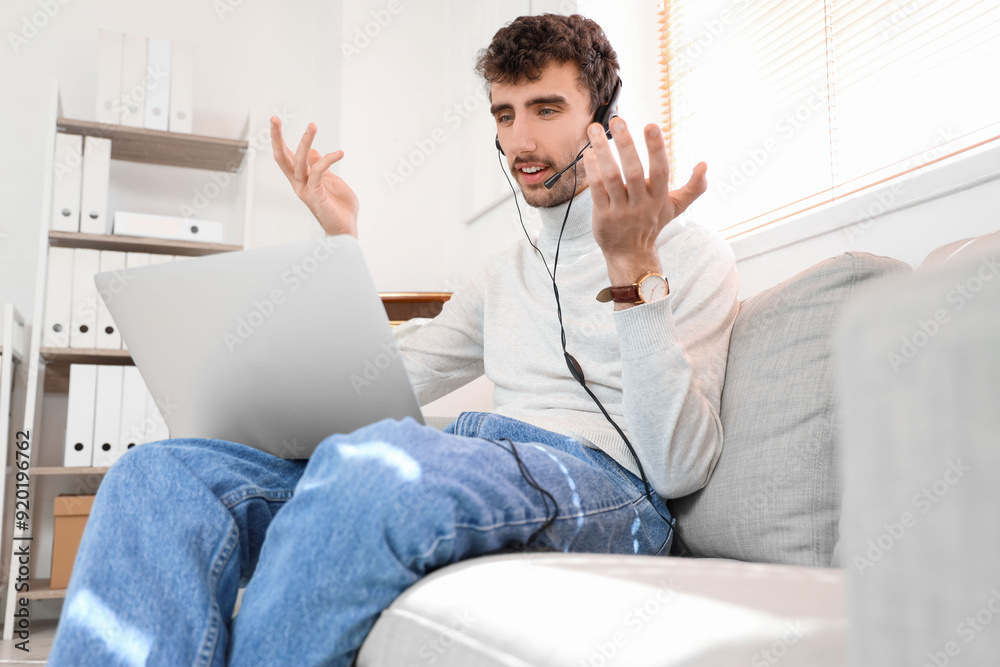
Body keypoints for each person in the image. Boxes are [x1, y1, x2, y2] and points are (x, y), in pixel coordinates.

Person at [49, 13, 738, 666]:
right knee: (159, 473)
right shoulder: (500, 273)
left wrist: (631, 268)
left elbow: (678, 470)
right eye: (504, 114)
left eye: (546, 109)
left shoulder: (687, 251)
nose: (520, 142)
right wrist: (341, 248)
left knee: (379, 459)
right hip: (474, 457)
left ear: (603, 122)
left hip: (603, 486)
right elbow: (385, 378)